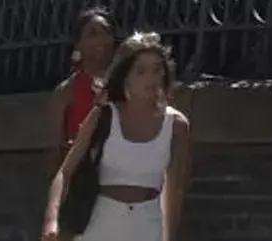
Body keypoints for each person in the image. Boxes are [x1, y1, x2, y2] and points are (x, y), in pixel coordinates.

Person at [45, 33, 190, 241]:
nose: (151, 78)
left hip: (148, 224)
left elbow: (175, 192)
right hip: (100, 222)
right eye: (141, 72)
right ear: (126, 78)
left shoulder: (176, 125)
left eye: (157, 70)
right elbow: (64, 173)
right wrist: (51, 221)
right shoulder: (103, 116)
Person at [46, 9, 114, 169]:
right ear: (79, 44)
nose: (102, 40)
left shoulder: (126, 83)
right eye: (92, 34)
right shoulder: (66, 91)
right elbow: (55, 149)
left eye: (107, 33)